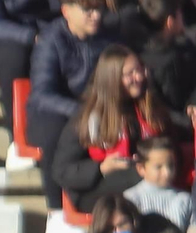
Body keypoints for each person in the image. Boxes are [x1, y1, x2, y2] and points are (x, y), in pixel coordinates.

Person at [50, 45, 179, 221]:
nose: (139, 77)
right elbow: (61, 170)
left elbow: (171, 141)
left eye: (140, 70)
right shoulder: (88, 118)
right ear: (113, 78)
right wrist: (102, 167)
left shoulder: (150, 108)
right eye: (130, 74)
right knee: (135, 190)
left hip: (147, 180)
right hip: (98, 188)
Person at [29, 0, 112, 233]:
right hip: (57, 111)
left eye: (98, 9)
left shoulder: (108, 38)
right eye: (88, 10)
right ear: (67, 12)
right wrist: (80, 113)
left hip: (95, 111)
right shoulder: (51, 39)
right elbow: (42, 93)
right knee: (53, 130)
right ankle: (56, 211)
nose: (95, 16)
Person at [0, 0, 60, 158]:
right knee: (15, 56)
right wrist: (33, 37)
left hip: (41, 34)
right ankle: (17, 136)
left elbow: (59, 9)